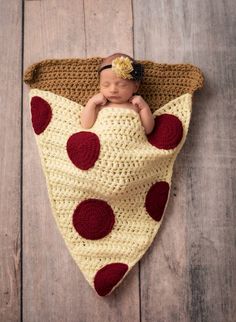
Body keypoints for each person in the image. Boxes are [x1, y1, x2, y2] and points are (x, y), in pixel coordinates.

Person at [80, 53, 155, 134]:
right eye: (106, 85)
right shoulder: (100, 106)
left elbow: (148, 130)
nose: (113, 90)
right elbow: (86, 125)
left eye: (121, 85)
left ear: (135, 87)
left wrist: (144, 108)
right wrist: (91, 103)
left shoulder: (136, 106)